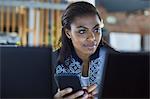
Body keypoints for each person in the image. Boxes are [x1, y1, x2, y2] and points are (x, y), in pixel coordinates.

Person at [53, 1, 116, 99]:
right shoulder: (51, 63)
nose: (92, 38)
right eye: (82, 31)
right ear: (68, 33)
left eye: (96, 30)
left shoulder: (117, 61)